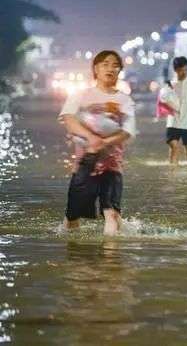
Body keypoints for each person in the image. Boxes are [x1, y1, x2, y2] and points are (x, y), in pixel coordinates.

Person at [59, 50, 136, 236]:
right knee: (73, 217)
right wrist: (90, 137)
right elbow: (68, 119)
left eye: (115, 65)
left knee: (112, 214)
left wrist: (105, 141)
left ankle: (110, 259)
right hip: (84, 164)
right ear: (96, 69)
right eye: (105, 64)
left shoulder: (124, 100)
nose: (110, 68)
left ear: (119, 71)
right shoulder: (81, 95)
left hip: (112, 166)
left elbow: (128, 131)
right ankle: (75, 254)